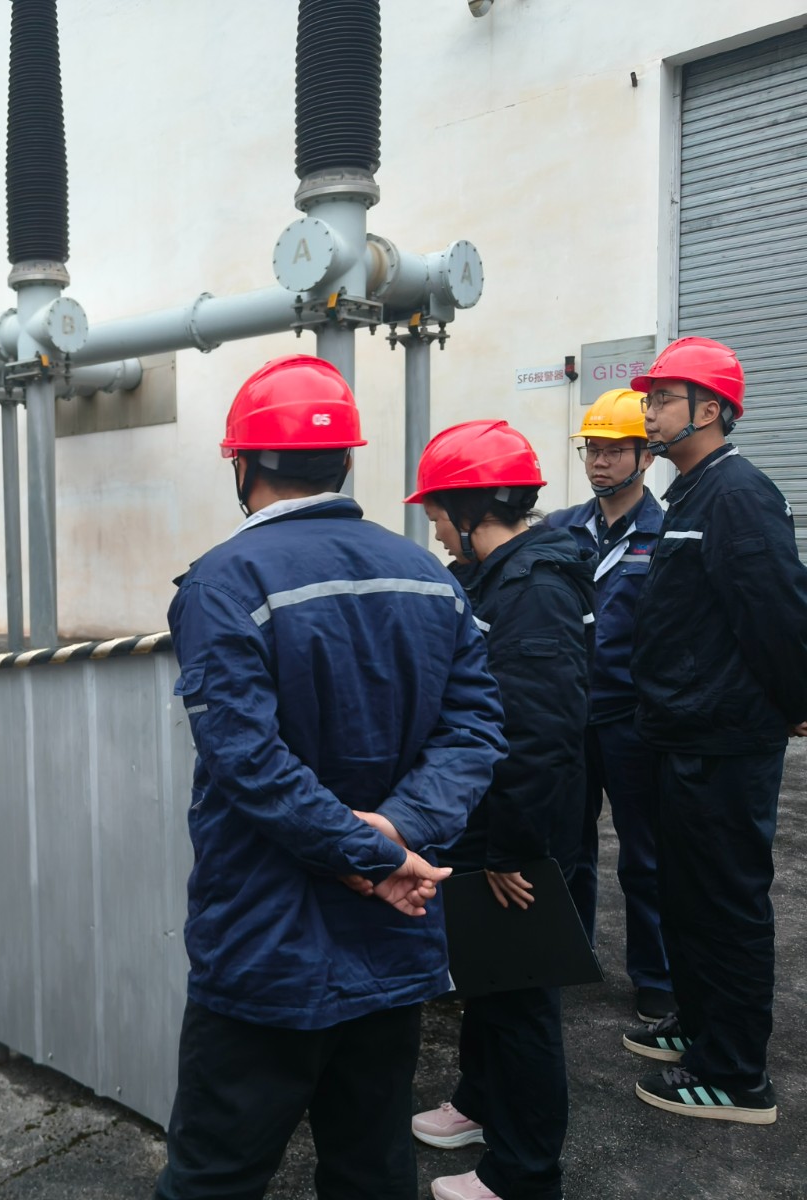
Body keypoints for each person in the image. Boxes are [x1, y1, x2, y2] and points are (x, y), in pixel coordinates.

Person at [154, 356, 506, 1200]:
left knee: (214, 1176)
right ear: (346, 460)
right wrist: (396, 833)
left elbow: (248, 761)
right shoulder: (428, 574)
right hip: (396, 934)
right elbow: (476, 730)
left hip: (265, 939)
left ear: (242, 464)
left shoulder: (224, 581)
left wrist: (369, 849)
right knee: (370, 1165)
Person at [621, 336, 807, 1125]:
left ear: (711, 409)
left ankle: (735, 1076)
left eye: (664, 398)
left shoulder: (737, 494)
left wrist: (795, 701)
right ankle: (699, 1027)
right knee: (689, 897)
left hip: (724, 740)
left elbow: (777, 611)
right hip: (686, 734)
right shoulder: (694, 493)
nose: (650, 412)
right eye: (650, 398)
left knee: (726, 904)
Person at [406, 420, 593, 1200]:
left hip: (516, 831)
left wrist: (512, 848)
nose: (435, 529)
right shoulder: (501, 575)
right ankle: (479, 1104)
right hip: (492, 824)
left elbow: (540, 731)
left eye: (438, 513)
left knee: (520, 998)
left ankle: (523, 1173)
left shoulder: (533, 589)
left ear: (472, 507)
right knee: (487, 979)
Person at [543, 390, 671, 1023]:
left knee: (646, 854)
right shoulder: (559, 530)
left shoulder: (667, 533)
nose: (600, 462)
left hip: (632, 719)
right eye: (593, 450)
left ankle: (657, 976)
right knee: (566, 847)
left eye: (615, 450)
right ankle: (569, 954)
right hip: (570, 715)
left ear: (645, 457)